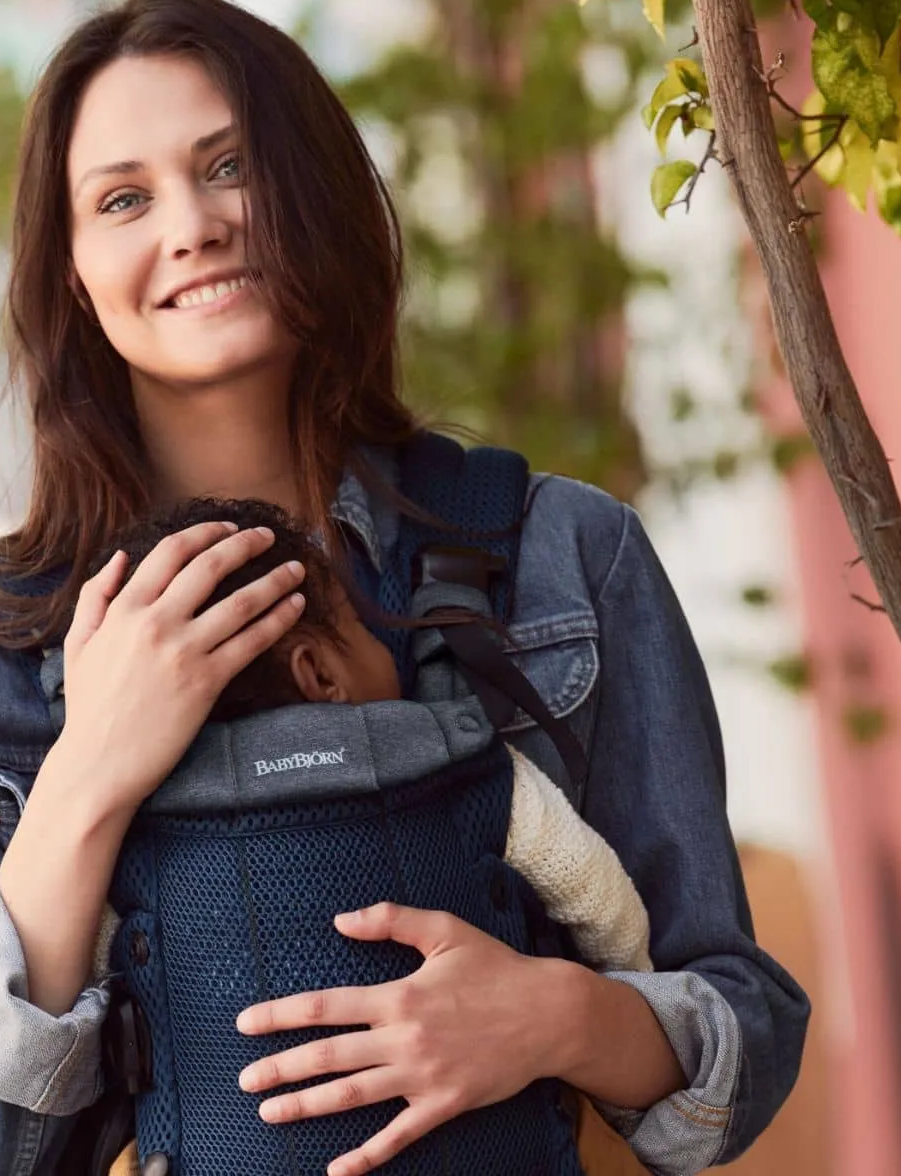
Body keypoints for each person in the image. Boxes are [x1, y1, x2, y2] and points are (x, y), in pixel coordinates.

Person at [0, 0, 809, 1176]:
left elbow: (744, 1030)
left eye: (232, 165)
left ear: (315, 188)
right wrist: (87, 777)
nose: (191, 225)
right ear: (75, 279)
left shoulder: (563, 557)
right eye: (124, 199)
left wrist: (556, 1018)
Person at [82, 493, 656, 1176]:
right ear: (319, 674)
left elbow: (85, 977)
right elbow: (597, 896)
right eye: (360, 629)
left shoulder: (139, 825)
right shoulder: (462, 762)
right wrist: (628, 981)